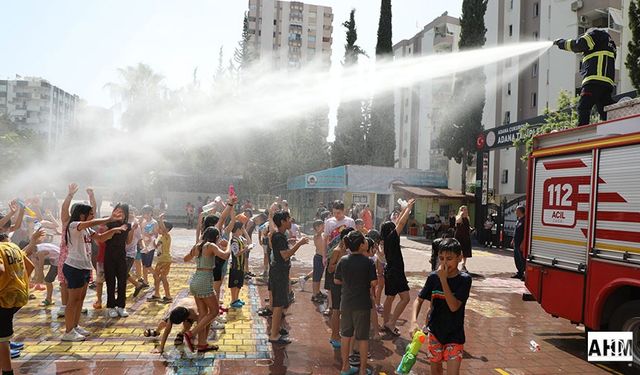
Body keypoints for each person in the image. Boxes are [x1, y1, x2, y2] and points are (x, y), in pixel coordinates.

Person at [62, 202, 127, 341]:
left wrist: (115, 230)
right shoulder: (74, 225)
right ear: (82, 215)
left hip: (84, 267)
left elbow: (101, 238)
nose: (92, 216)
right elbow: (92, 224)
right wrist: (109, 219)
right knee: (72, 301)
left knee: (80, 299)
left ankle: (75, 326)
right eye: (90, 214)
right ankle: (68, 331)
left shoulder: (87, 230)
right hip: (74, 267)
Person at [410, 238, 472, 375]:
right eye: (441, 258)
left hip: (454, 335)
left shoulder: (465, 280)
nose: (444, 263)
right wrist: (413, 321)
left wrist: (443, 280)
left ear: (460, 257)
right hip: (435, 333)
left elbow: (454, 306)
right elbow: (419, 300)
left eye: (449, 259)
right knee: (436, 370)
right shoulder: (433, 277)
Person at [334, 230, 377, 375]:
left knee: (345, 336)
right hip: (362, 304)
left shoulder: (343, 260)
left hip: (346, 303)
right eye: (365, 240)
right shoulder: (368, 262)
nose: (366, 242)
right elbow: (374, 282)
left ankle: (345, 367)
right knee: (363, 337)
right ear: (361, 245)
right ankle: (363, 370)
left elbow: (336, 280)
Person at [553, 28, 616, 126]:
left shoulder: (594, 34)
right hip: (607, 83)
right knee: (606, 110)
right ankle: (618, 124)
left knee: (583, 106)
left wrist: (560, 43)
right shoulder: (609, 42)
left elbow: (578, 44)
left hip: (594, 80)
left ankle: (582, 133)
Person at [268, 210, 309, 345]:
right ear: (282, 221)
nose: (290, 221)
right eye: (288, 219)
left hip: (279, 271)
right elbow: (285, 255)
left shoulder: (280, 236)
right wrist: (299, 243)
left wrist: (290, 241)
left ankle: (277, 329)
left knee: (281, 302)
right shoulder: (279, 237)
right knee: (279, 304)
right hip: (279, 273)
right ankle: (274, 335)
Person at [182, 227, 225, 352]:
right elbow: (225, 255)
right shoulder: (210, 245)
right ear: (216, 237)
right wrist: (227, 245)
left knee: (203, 313)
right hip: (205, 281)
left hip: (195, 279)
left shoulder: (198, 246)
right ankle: (191, 334)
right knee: (214, 311)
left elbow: (185, 258)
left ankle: (202, 344)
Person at [1, 229, 37, 373]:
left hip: (3, 298)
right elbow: (30, 266)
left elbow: (1, 270)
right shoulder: (13, 247)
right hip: (18, 297)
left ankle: (7, 371)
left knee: (2, 339)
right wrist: (19, 283)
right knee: (4, 335)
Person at [380, 199, 416, 336]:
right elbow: (401, 223)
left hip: (390, 271)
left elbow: (398, 222)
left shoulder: (386, 239)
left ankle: (386, 323)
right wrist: (409, 208)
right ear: (391, 230)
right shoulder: (392, 237)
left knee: (389, 298)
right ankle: (391, 322)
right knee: (405, 298)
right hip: (396, 272)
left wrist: (404, 209)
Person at [103, 203, 133, 319]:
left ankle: (121, 305)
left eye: (121, 211)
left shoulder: (127, 225)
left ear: (125, 213)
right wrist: (113, 229)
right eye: (117, 210)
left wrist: (132, 230)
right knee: (110, 281)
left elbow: (128, 242)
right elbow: (103, 238)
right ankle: (111, 306)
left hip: (121, 255)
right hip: (109, 254)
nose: (118, 213)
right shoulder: (109, 224)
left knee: (122, 281)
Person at [147, 214, 174, 303]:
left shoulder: (167, 236)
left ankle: (168, 296)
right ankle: (157, 294)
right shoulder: (161, 238)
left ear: (166, 230)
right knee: (155, 276)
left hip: (165, 260)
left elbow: (164, 229)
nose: (158, 229)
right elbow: (157, 248)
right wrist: (153, 241)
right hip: (161, 260)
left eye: (160, 227)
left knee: (163, 277)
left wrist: (160, 219)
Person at [311, 220, 327, 303]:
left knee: (319, 276)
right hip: (318, 257)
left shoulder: (323, 235)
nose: (323, 227)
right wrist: (320, 229)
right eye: (321, 226)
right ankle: (314, 294)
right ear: (316, 227)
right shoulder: (317, 235)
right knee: (316, 277)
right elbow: (318, 233)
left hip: (322, 257)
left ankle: (317, 292)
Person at [454, 206, 472, 273]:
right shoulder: (458, 217)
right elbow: (457, 223)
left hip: (466, 236)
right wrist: (461, 215)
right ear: (461, 210)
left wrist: (470, 229)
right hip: (459, 236)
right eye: (464, 210)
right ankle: (455, 265)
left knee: (466, 252)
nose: (466, 211)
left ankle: (463, 265)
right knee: (458, 251)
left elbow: (467, 225)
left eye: (466, 210)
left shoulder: (468, 217)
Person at [511, 206, 526, 281]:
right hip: (516, 242)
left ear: (520, 211)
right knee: (516, 258)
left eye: (516, 211)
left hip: (521, 243)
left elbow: (525, 233)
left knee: (522, 259)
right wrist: (513, 240)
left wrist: (523, 243)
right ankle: (519, 273)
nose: (515, 213)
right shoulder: (519, 220)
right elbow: (516, 231)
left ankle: (524, 274)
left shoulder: (525, 220)